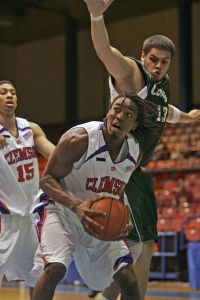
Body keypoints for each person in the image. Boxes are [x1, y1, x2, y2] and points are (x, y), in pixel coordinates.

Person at [82, 1, 200, 299]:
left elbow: (163, 110)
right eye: (153, 59)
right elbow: (106, 53)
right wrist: (97, 16)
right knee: (143, 247)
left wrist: (185, 117)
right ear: (144, 56)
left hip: (138, 173)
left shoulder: (162, 85)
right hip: (122, 169)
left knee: (136, 250)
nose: (158, 66)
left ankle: (104, 297)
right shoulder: (133, 75)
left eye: (164, 62)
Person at [31, 92, 159, 300]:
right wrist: (75, 206)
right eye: (116, 109)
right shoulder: (79, 139)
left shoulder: (135, 153)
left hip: (96, 217)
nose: (119, 116)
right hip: (61, 209)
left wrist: (121, 218)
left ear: (134, 125)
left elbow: (116, 191)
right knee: (56, 268)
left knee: (127, 277)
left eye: (128, 114)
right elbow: (46, 180)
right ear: (108, 112)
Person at [0, 80, 55, 298]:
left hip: (32, 214)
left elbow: (55, 154)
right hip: (6, 217)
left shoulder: (30, 129)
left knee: (40, 273)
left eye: (13, 92)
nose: (9, 96)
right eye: (3, 93)